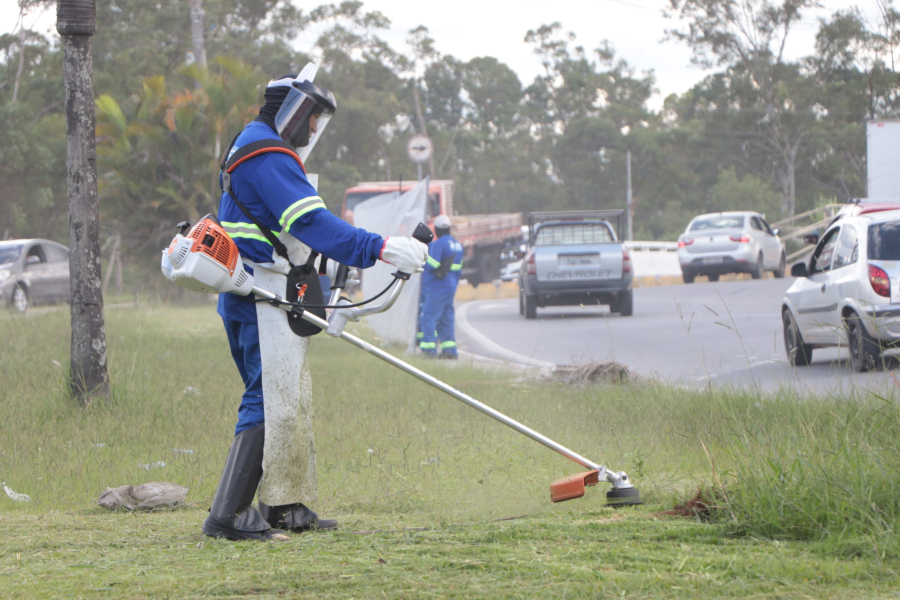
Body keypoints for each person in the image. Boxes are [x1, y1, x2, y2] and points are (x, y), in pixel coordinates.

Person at [204, 71, 428, 541]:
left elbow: (290, 241)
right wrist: (380, 247)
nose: (311, 130)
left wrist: (334, 279)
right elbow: (310, 222)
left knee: (290, 396)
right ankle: (228, 515)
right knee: (268, 397)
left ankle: (283, 505)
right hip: (256, 295)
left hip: (272, 290)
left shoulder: (262, 149)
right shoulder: (266, 154)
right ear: (288, 111)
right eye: (310, 118)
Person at [418, 215, 463, 359]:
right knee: (446, 318)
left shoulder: (440, 244)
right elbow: (459, 270)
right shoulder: (457, 244)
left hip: (438, 287)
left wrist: (420, 263)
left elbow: (433, 264)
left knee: (428, 317)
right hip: (450, 287)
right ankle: (450, 351)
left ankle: (429, 350)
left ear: (436, 230)